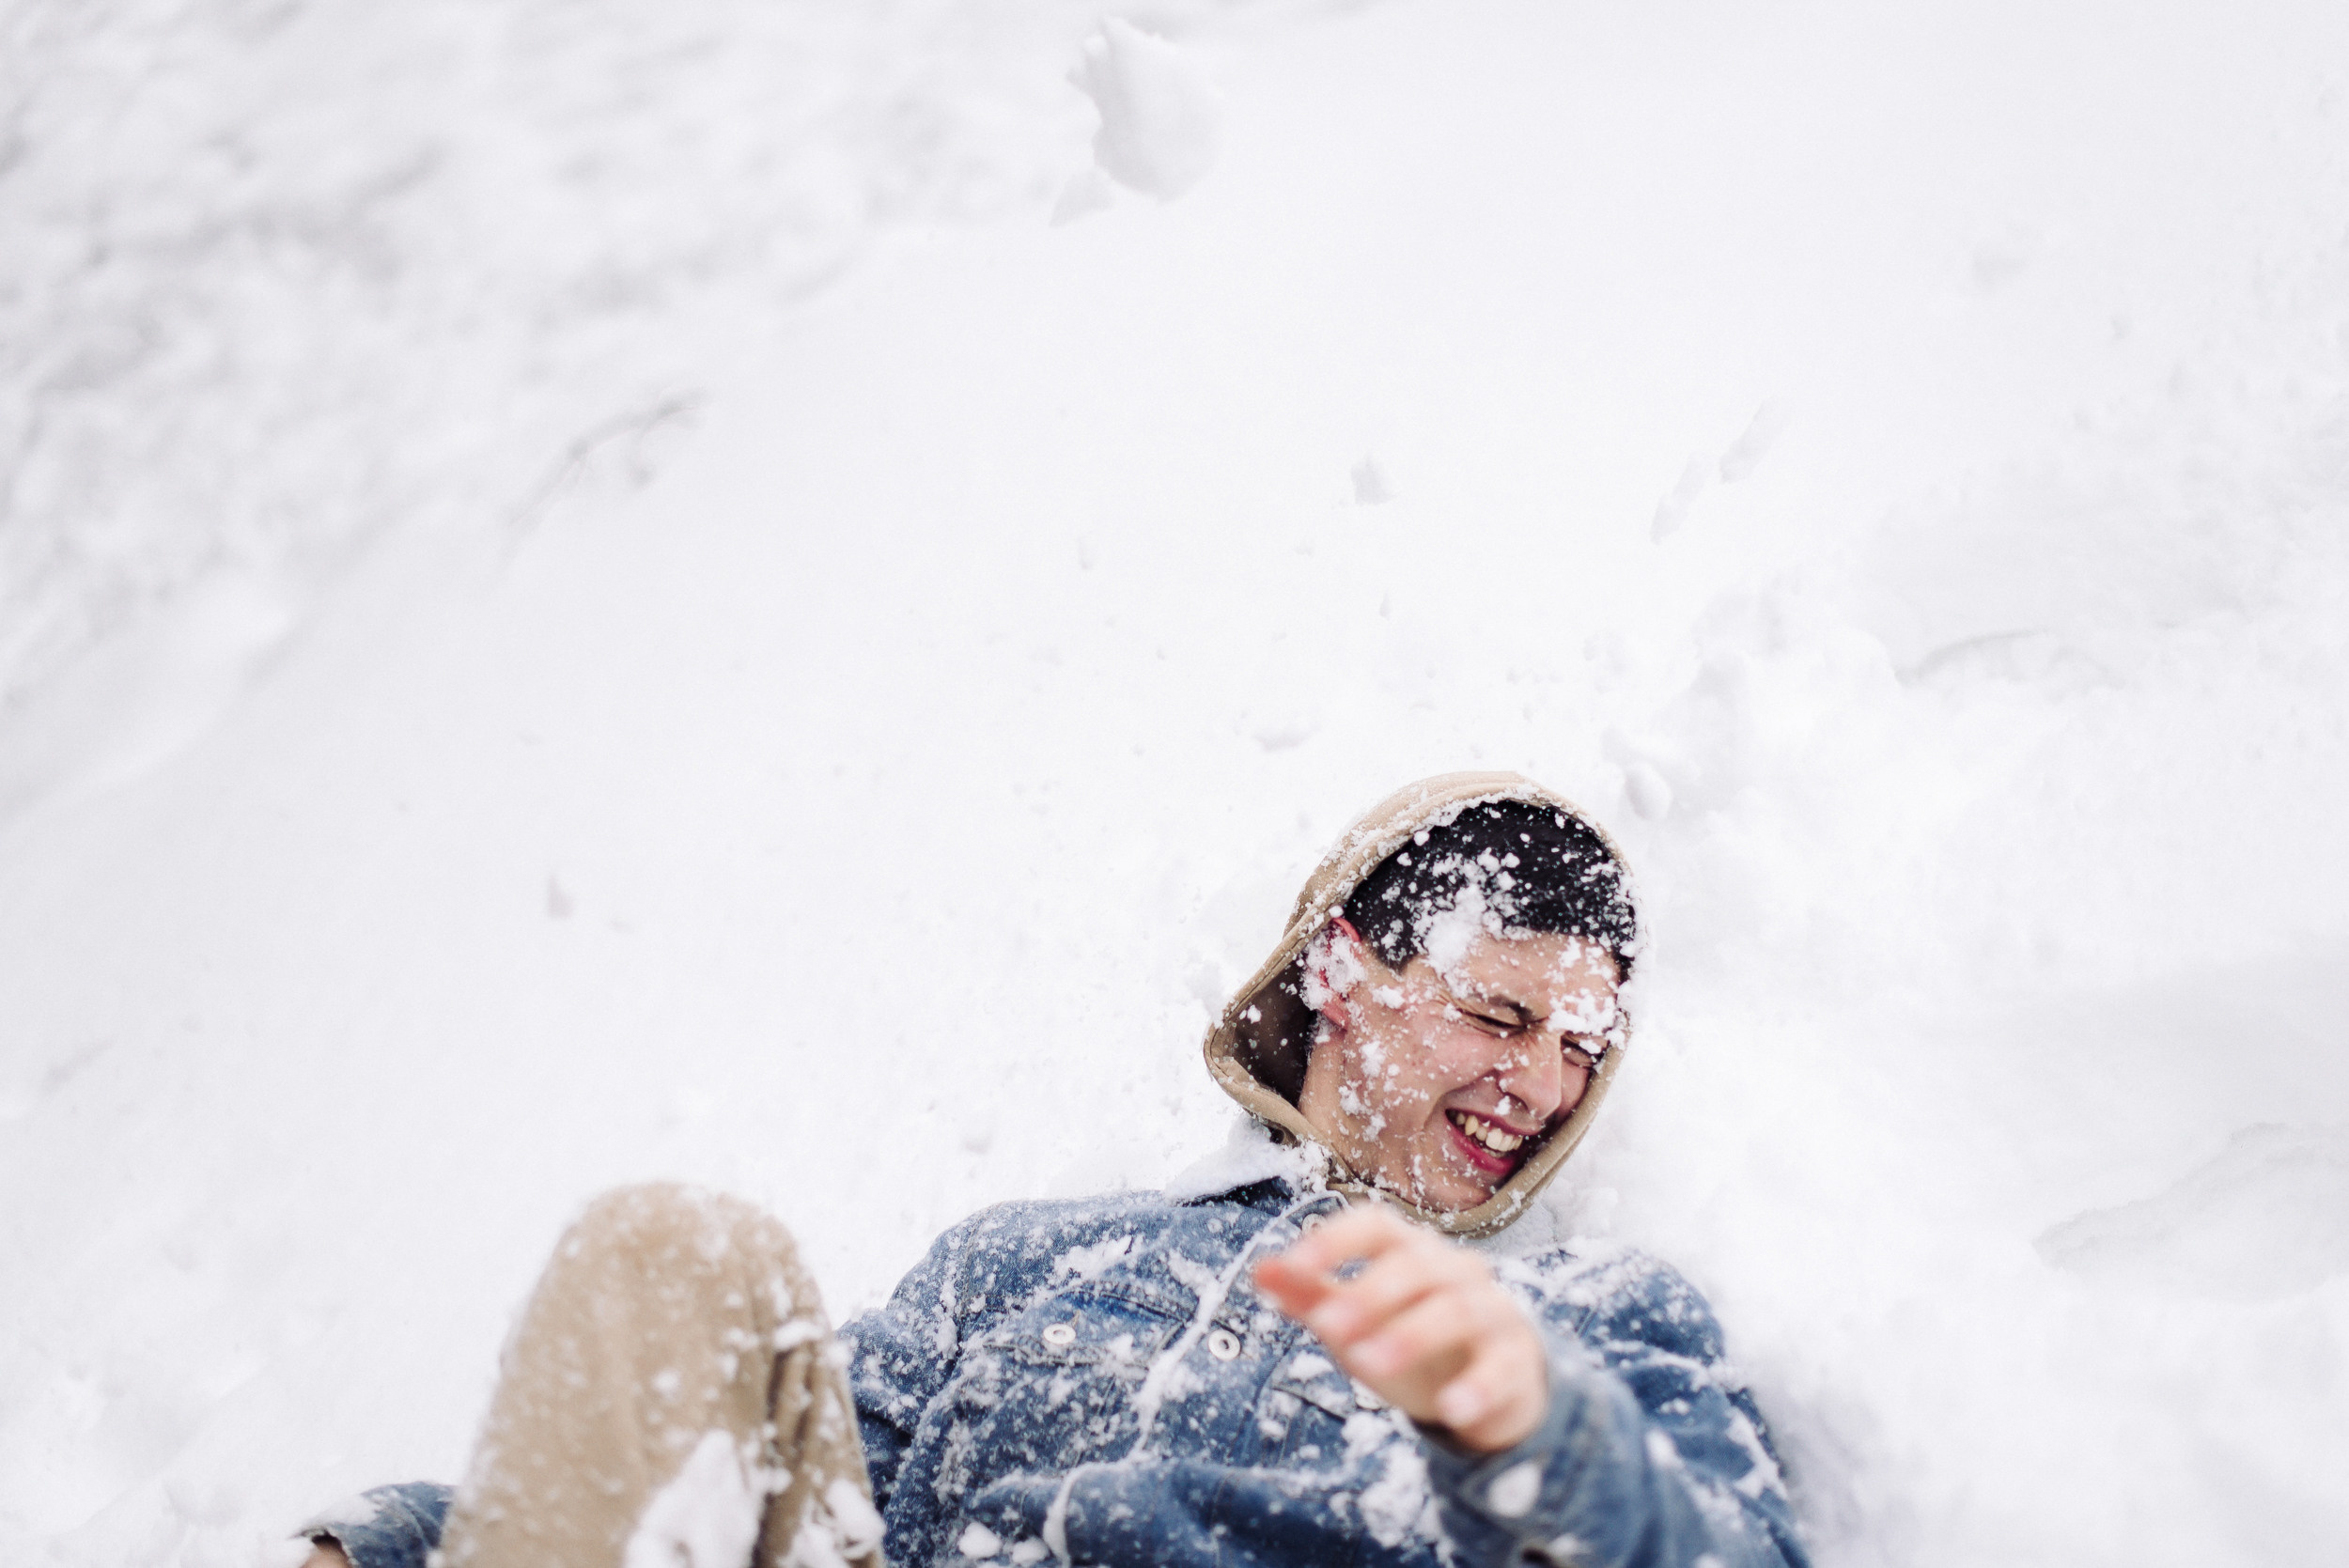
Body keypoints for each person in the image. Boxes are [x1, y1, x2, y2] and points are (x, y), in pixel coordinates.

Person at [296, 771, 1810, 1568]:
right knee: (671, 1256)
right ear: (1343, 974)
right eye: (1501, 1011)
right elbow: (747, 1491)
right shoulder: (1029, 1259)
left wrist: (1532, 1429)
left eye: (1586, 1045)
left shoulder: (1601, 1321)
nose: (1544, 1080)